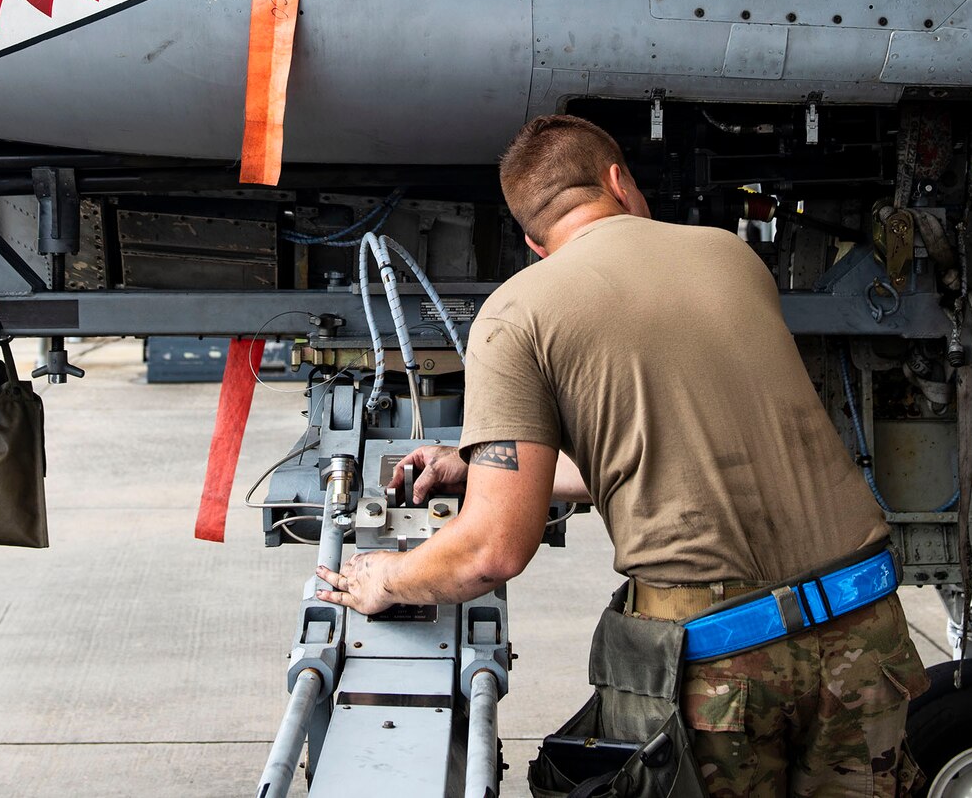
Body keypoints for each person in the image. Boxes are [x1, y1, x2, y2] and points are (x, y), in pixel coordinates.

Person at [315, 114, 928, 796]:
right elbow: (668, 450)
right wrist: (483, 462)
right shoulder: (731, 256)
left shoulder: (517, 313)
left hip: (724, 661)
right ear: (618, 180)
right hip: (863, 626)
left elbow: (491, 549)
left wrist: (387, 578)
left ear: (530, 239)